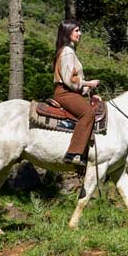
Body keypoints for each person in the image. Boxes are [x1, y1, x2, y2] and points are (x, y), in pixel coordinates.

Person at [52, 20, 100, 168]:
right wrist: (88, 83)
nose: (80, 33)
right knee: (88, 113)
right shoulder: (67, 52)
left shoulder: (68, 50)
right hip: (65, 93)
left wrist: (88, 91)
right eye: (76, 30)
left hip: (69, 92)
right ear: (68, 32)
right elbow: (68, 80)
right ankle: (73, 153)